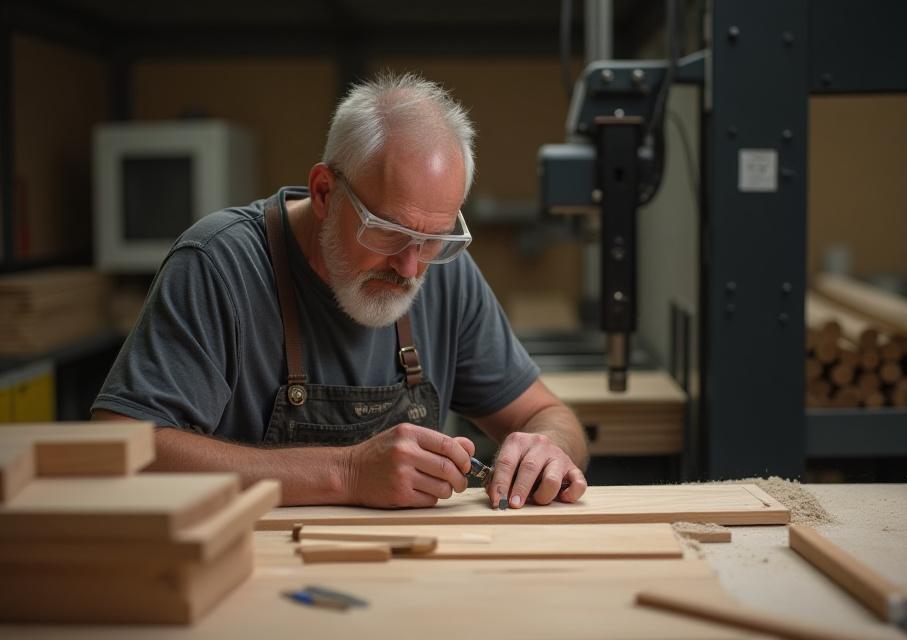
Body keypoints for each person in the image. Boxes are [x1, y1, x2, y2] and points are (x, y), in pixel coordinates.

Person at [92, 72, 588, 509]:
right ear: (325, 193)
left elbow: (549, 413)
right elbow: (124, 446)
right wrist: (346, 473)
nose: (411, 267)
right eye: (389, 232)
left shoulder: (444, 272)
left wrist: (547, 446)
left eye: (434, 240)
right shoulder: (219, 264)